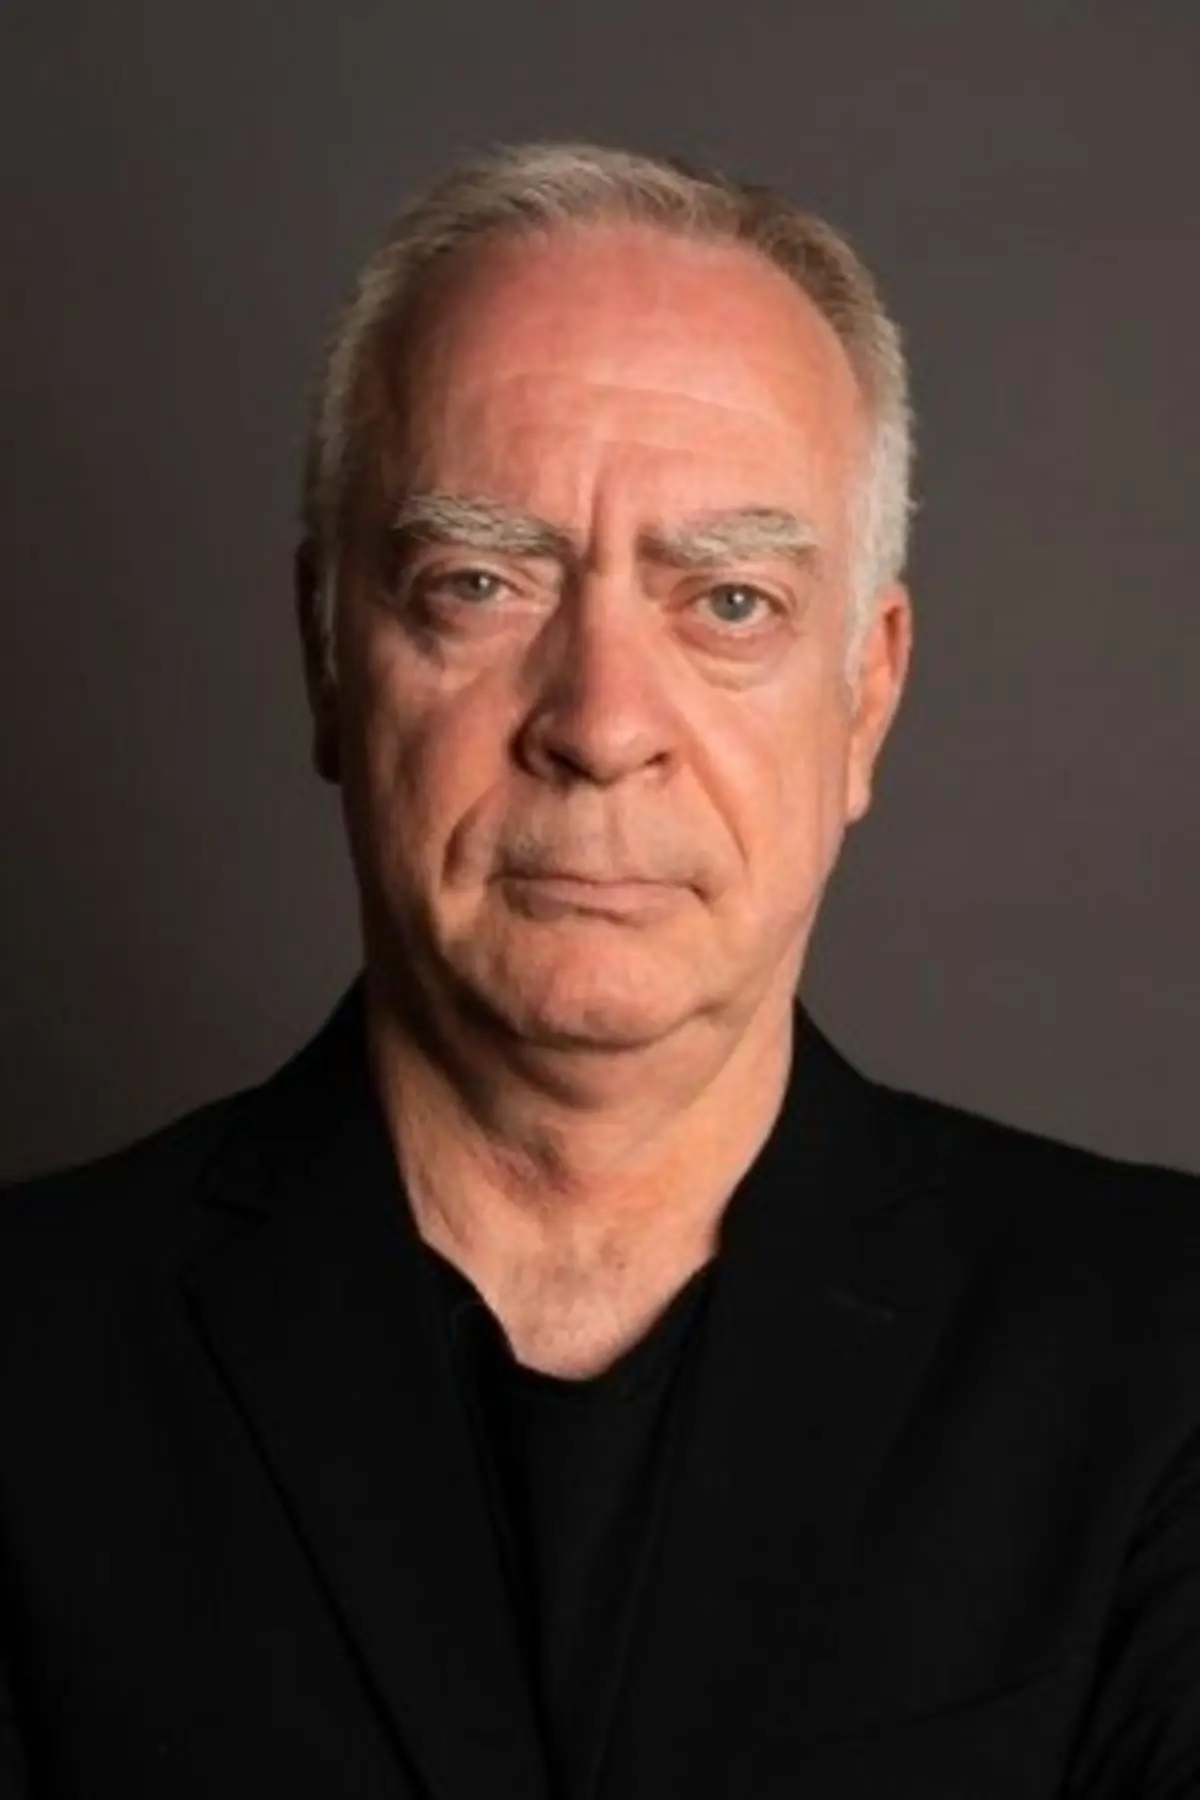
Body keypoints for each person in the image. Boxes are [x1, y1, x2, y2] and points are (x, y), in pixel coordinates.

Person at [1, 141, 1198, 1800]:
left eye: (730, 601)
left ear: (866, 698)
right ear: (329, 656)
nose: (600, 722)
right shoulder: (25, 1361)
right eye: (480, 583)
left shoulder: (1162, 1358)